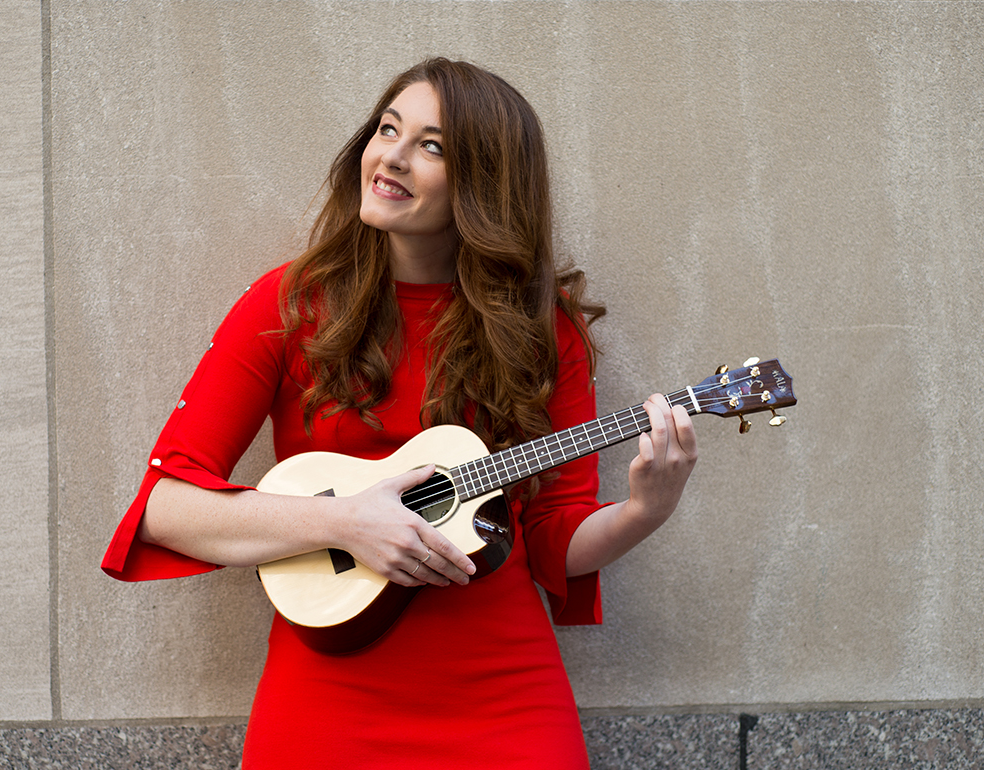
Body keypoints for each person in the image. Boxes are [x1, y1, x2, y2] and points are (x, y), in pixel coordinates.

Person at [102, 57, 697, 769]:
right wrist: (343, 522)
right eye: (388, 129)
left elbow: (551, 539)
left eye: (431, 145)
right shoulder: (286, 305)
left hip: (502, 691)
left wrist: (645, 510)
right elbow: (166, 506)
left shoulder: (544, 329)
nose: (390, 156)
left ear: (484, 183)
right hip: (326, 689)